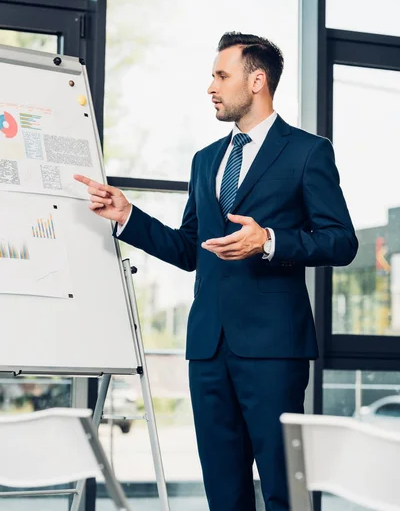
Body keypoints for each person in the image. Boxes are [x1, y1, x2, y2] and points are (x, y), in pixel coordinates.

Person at [74, 32, 358, 511]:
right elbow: (190, 249)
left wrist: (268, 241)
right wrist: (128, 216)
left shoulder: (307, 152)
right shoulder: (206, 160)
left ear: (258, 80)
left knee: (284, 491)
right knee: (223, 494)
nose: (211, 86)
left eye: (221, 75)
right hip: (208, 349)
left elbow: (342, 241)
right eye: (212, 76)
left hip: (273, 350)